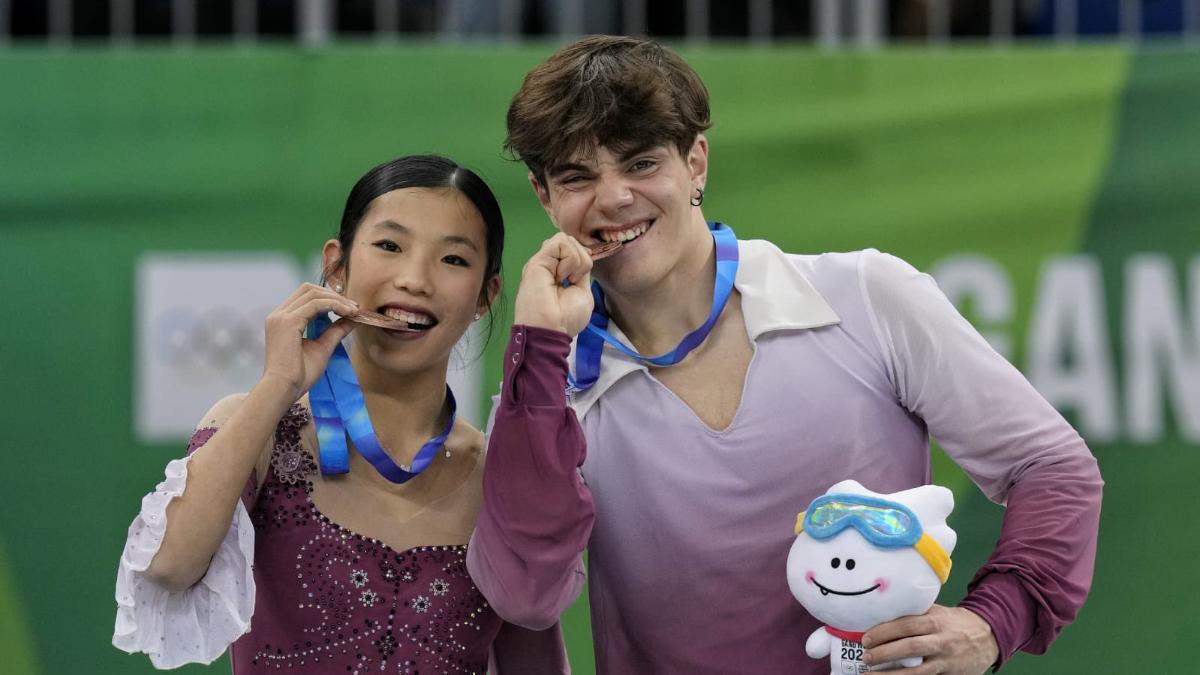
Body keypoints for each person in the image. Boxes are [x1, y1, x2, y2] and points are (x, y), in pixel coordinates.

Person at [466, 36, 1103, 674]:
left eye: (639, 164)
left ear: (696, 164)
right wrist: (540, 353)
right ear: (544, 196)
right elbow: (527, 595)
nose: (612, 199)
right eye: (577, 177)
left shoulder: (865, 297)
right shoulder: (545, 396)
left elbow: (1051, 466)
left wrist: (990, 623)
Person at [113, 155, 567, 674]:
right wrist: (277, 385)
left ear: (487, 293)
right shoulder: (261, 430)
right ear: (337, 265)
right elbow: (170, 567)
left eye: (454, 260)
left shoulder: (503, 477)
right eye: (390, 246)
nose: (415, 280)